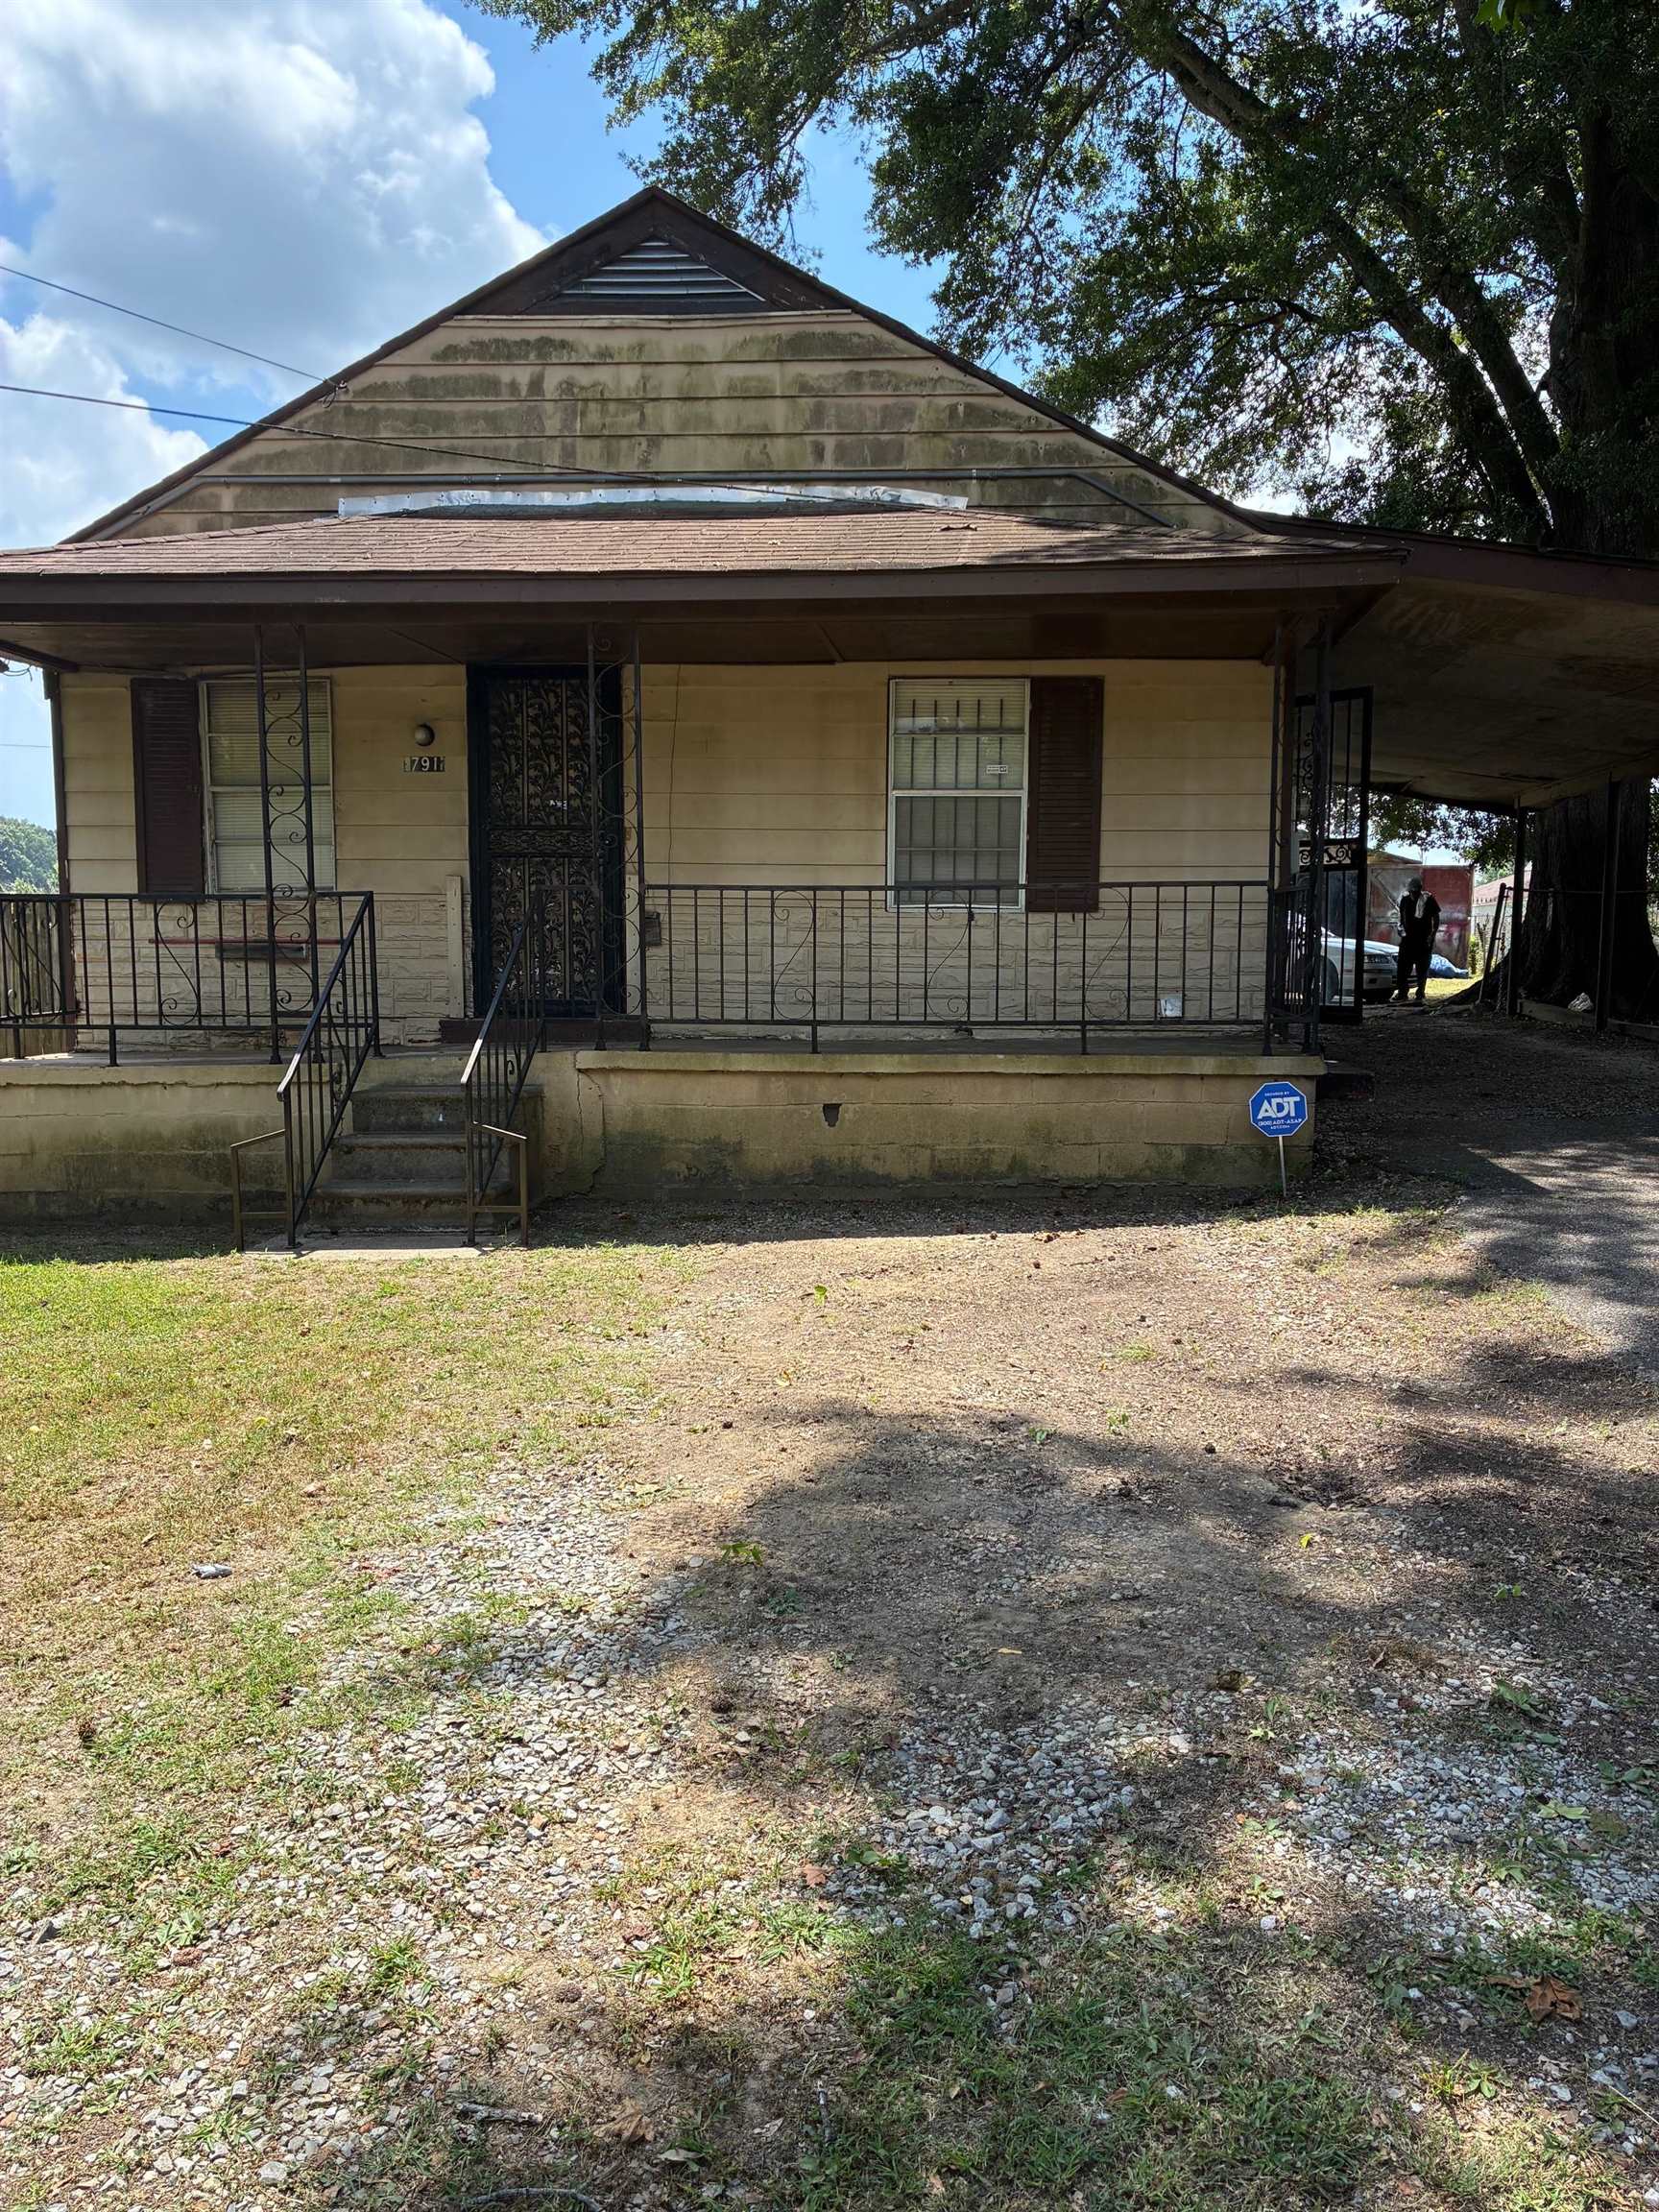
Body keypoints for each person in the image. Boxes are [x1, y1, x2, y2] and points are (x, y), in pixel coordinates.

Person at [1394, 877, 1441, 1003]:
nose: (1414, 894)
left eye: (1416, 891)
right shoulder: (1405, 900)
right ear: (1409, 891)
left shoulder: (1428, 900)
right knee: (1403, 967)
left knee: (1422, 968)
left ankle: (1420, 992)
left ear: (1420, 890)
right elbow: (1401, 917)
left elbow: (1436, 918)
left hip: (1423, 940)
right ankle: (1402, 992)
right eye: (1412, 891)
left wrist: (1432, 935)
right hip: (1408, 939)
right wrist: (1401, 930)